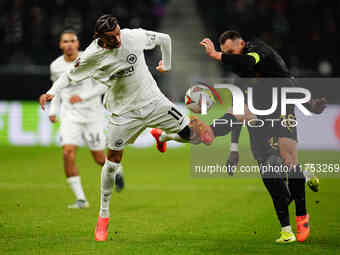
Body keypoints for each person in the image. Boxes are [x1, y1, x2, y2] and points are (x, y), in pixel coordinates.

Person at [39, 15, 212, 242]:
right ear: (99, 38)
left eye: (119, 33)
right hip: (123, 113)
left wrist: (167, 64)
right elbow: (69, 76)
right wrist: (51, 93)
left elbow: (164, 39)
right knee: (111, 164)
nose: (119, 40)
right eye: (112, 38)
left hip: (154, 102)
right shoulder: (91, 55)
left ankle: (164, 136)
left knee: (196, 137)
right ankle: (103, 216)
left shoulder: (132, 37)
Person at [155, 30, 326, 244]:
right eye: (226, 53)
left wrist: (310, 104)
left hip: (283, 107)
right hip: (260, 118)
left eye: (231, 52)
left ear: (242, 44)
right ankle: (287, 227)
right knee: (270, 174)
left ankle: (302, 216)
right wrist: (233, 147)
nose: (230, 57)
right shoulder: (241, 80)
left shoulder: (259, 52)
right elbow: (237, 115)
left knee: (289, 162)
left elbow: (288, 82)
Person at [48, 29, 107, 209]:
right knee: (67, 152)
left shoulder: (89, 59)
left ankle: (117, 171)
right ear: (60, 45)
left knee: (99, 159)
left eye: (72, 41)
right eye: (65, 41)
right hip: (70, 115)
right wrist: (53, 110)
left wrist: (84, 96)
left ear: (78, 43)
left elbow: (103, 85)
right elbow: (57, 89)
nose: (69, 44)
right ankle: (81, 199)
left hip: (92, 115)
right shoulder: (56, 66)